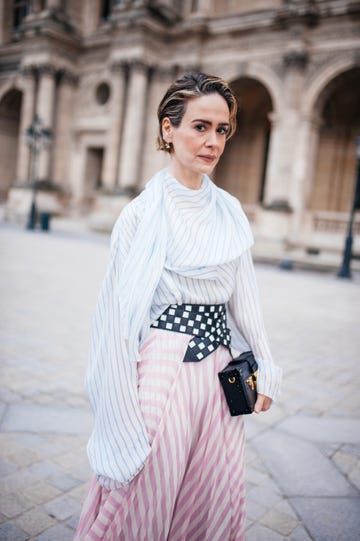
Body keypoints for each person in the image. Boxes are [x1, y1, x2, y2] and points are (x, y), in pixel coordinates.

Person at [75, 72, 282, 541]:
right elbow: (116, 319)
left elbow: (244, 297)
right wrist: (120, 404)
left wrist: (266, 364)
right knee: (145, 488)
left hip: (223, 377)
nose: (212, 141)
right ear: (169, 130)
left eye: (222, 129)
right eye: (200, 127)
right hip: (163, 369)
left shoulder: (230, 210)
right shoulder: (142, 214)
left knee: (212, 491)